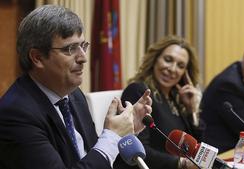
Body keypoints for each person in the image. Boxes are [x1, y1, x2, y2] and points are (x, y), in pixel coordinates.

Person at [0, 5, 152, 169]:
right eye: (70, 49)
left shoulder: (74, 96)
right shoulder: (16, 114)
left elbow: (96, 161)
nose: (83, 58)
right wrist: (112, 137)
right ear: (37, 57)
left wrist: (124, 135)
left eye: (83, 46)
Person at [114, 35, 203, 169]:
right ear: (155, 59)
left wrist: (192, 111)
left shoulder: (176, 98)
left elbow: (196, 148)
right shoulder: (139, 92)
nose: (172, 69)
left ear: (186, 73)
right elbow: (138, 150)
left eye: (180, 66)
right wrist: (181, 163)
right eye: (168, 60)